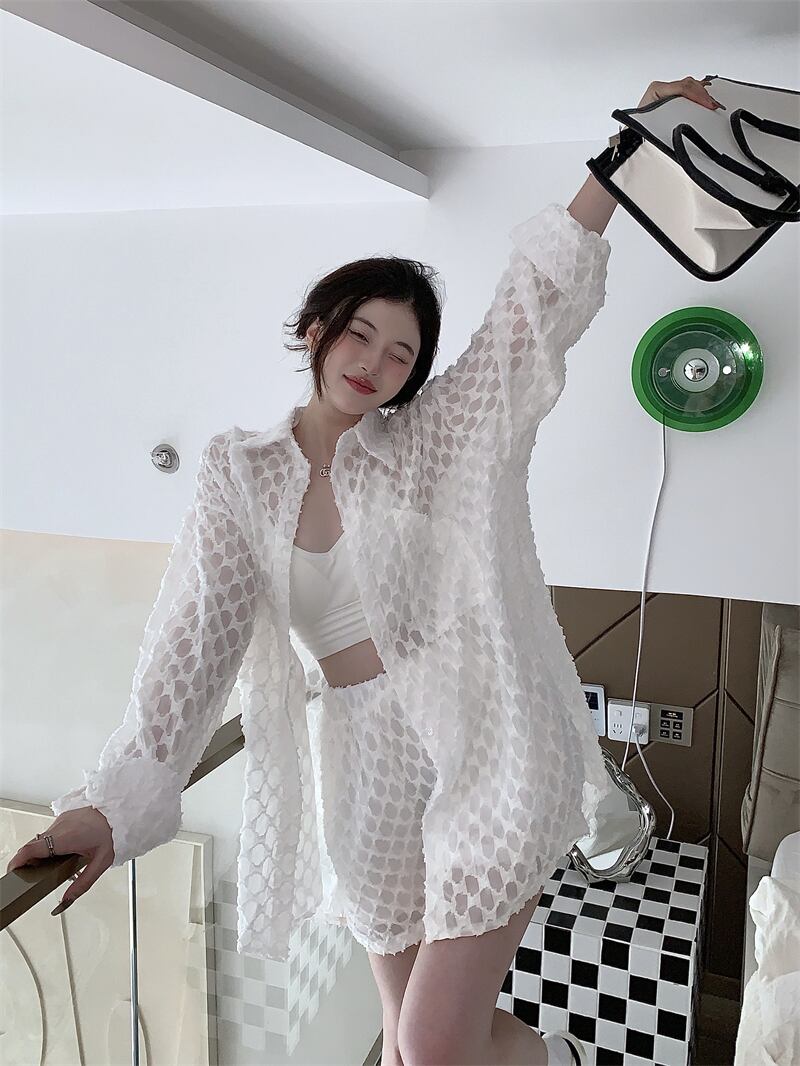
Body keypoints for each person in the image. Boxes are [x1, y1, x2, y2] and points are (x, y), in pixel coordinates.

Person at [8, 77, 723, 1066]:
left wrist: (622, 158)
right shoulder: (240, 474)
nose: (376, 362)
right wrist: (110, 805)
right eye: (360, 333)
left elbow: (530, 313)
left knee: (429, 1043)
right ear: (316, 328)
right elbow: (193, 643)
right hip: (363, 767)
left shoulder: (432, 442)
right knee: (403, 1040)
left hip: (489, 741)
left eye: (401, 352)